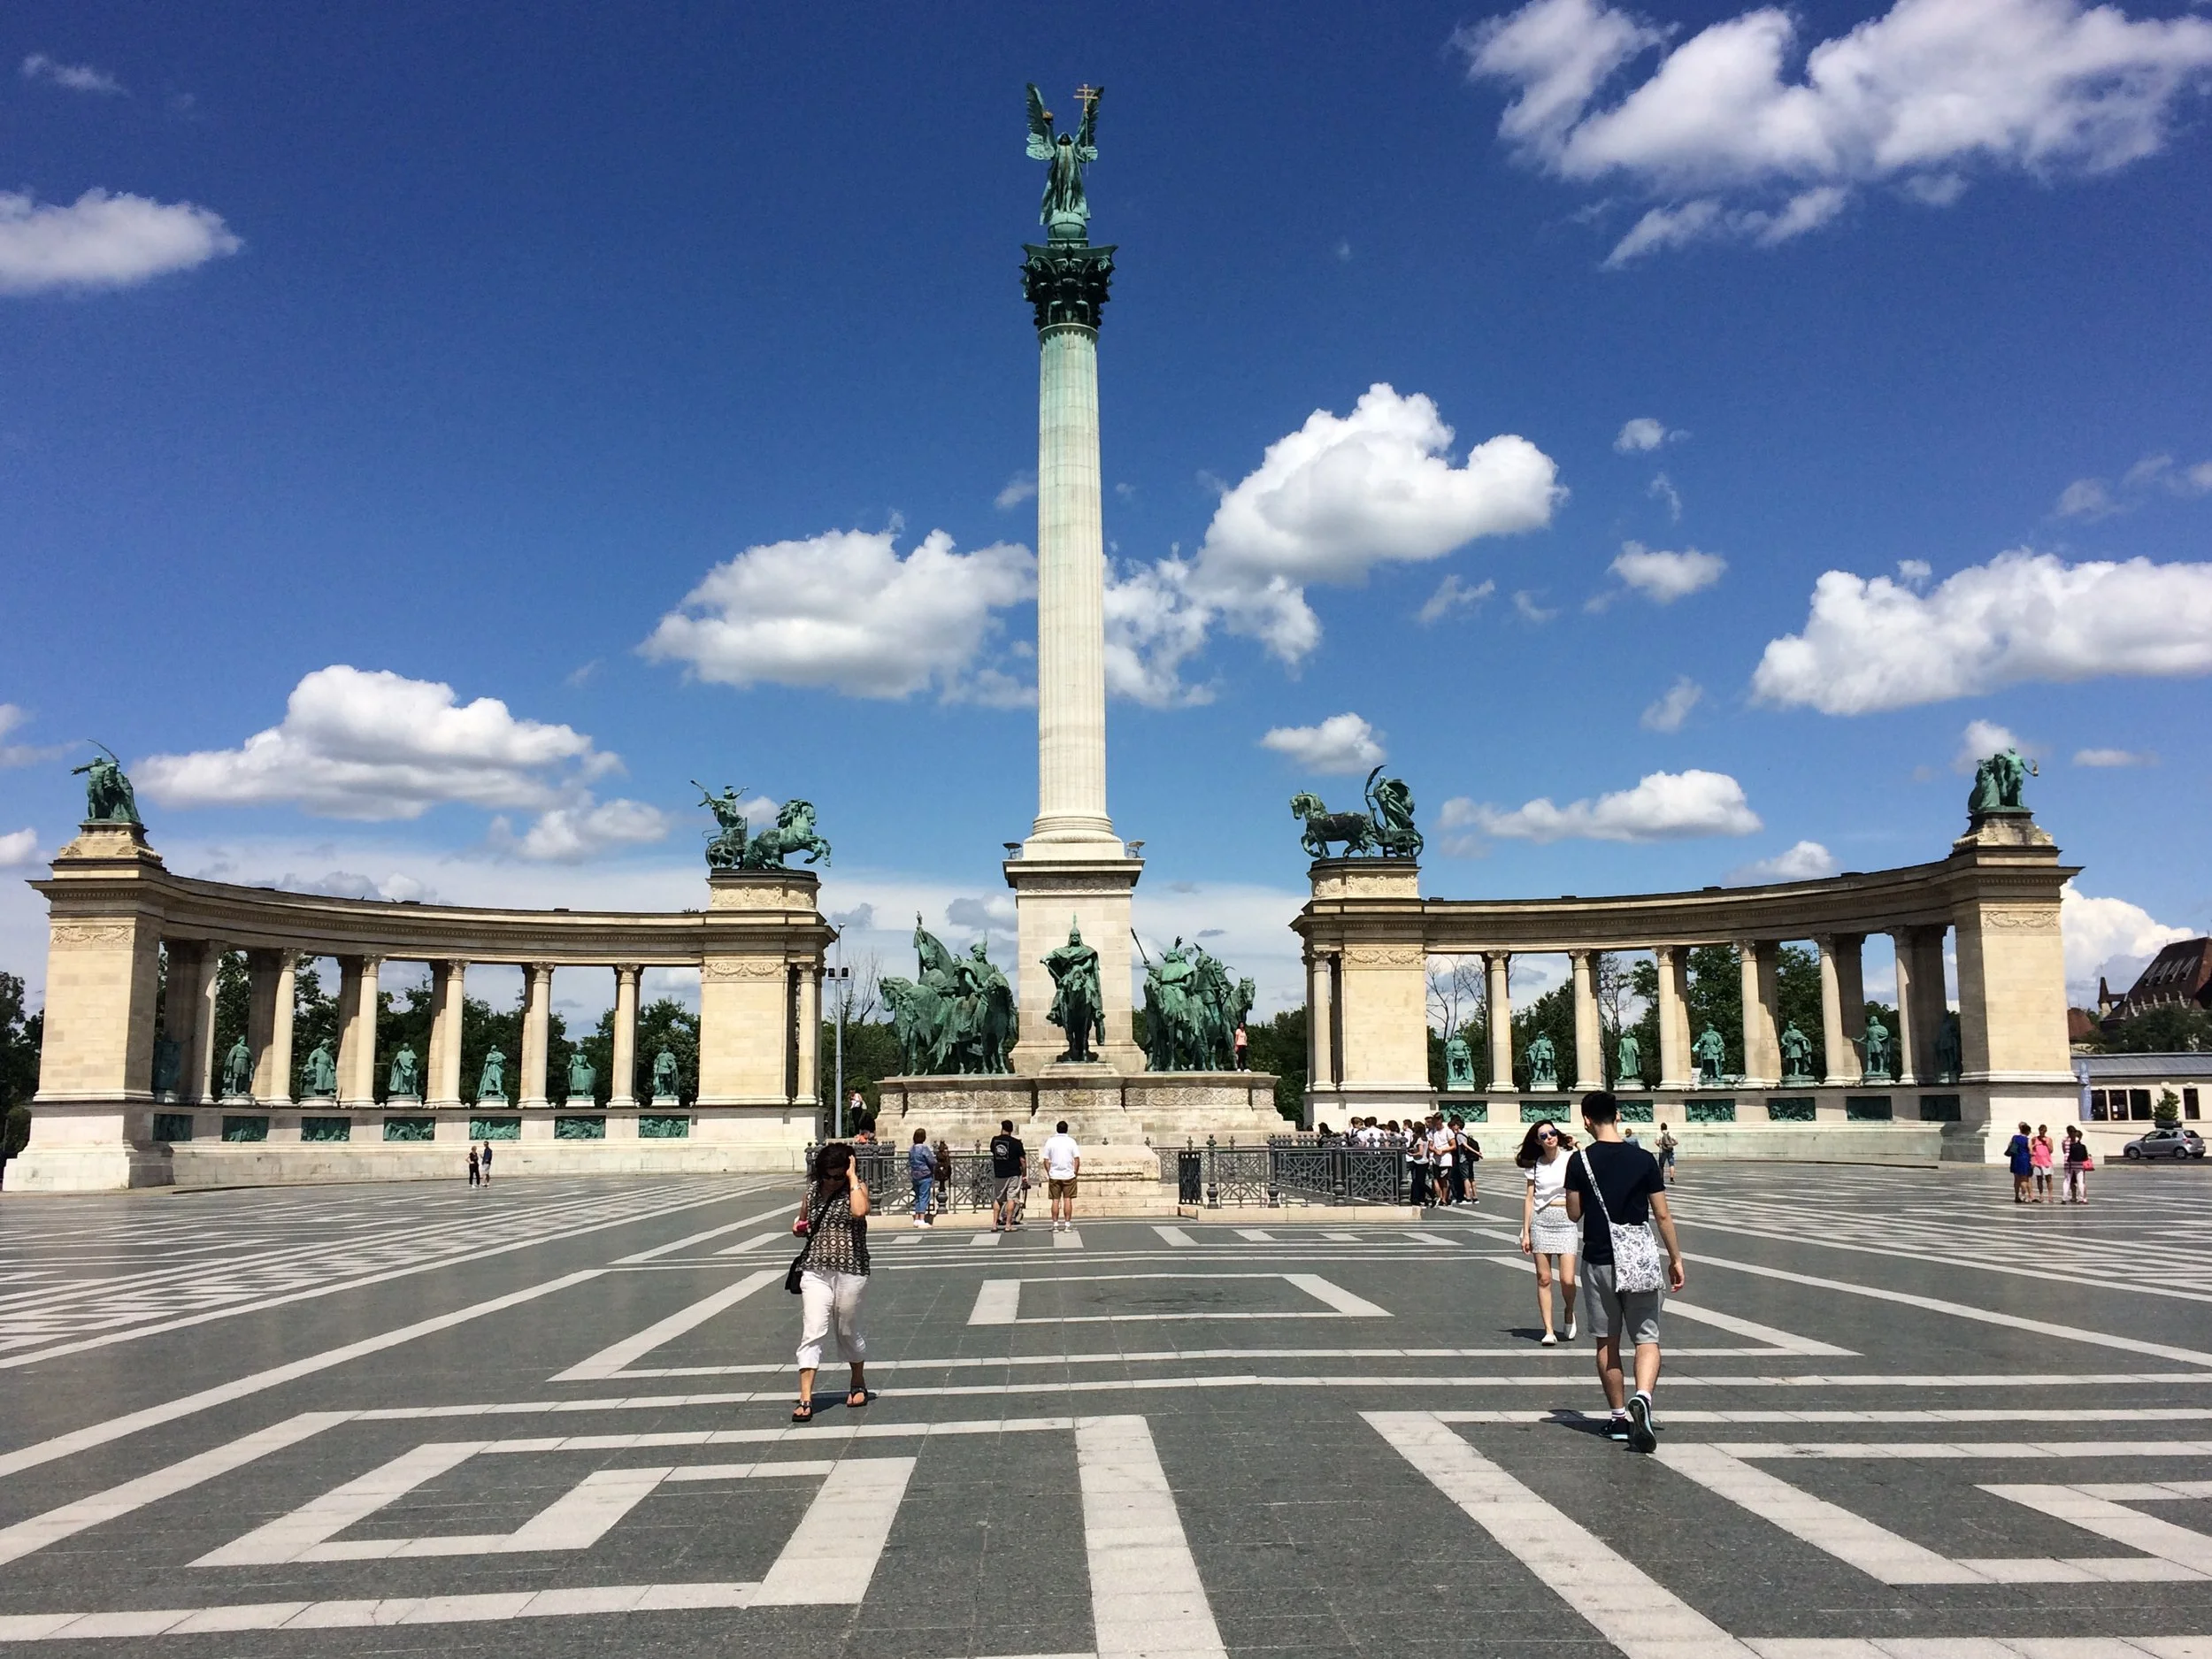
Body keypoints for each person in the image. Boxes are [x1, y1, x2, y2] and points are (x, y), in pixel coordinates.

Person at [1563, 1091, 1686, 1454]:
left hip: (1600, 1258)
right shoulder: (1644, 1158)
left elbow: (1573, 1214)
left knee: (1607, 1340)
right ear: (1617, 1116)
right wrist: (1676, 1258)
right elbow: (1661, 1214)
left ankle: (1617, 1419)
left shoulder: (1579, 1160)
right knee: (1647, 1338)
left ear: (1586, 1120)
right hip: (1640, 1259)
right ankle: (1643, 1398)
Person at [790, 1141, 870, 1423]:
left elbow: (860, 1212)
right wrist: (799, 1228)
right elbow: (801, 1222)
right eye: (828, 1175)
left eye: (838, 1175)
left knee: (846, 1330)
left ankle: (857, 1381)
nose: (832, 1181)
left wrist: (852, 1178)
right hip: (815, 1269)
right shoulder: (812, 1192)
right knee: (813, 1329)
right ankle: (805, 1399)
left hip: (852, 1269)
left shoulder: (855, 1191)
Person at [1516, 1119, 1578, 1346]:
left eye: (1552, 1133)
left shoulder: (1570, 1157)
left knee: (1567, 1279)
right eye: (1544, 1136)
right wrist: (1526, 1231)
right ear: (1537, 1141)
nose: (1550, 1137)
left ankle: (1569, 1310)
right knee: (1543, 1278)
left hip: (1566, 1219)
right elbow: (1529, 1198)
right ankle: (1549, 1330)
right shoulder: (1534, 1164)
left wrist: (1576, 1145)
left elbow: (1588, 1168)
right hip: (1541, 1221)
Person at [1042, 1118, 1081, 1231]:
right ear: (1066, 1130)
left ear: (1057, 1129)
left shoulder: (1050, 1141)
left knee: (1055, 1200)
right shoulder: (1071, 1141)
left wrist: (1049, 1172)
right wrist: (1075, 1172)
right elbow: (1077, 1159)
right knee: (1067, 1199)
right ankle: (1067, 1224)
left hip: (1054, 1174)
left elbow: (1045, 1159)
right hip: (1068, 1174)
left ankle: (1055, 1224)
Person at [990, 1118, 1027, 1232]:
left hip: (999, 1172)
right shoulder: (1016, 1143)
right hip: (1013, 1173)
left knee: (998, 1198)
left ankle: (994, 1224)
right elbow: (1023, 1161)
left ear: (1002, 1128)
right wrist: (1024, 1173)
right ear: (1011, 1130)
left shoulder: (995, 1141)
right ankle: (1008, 1225)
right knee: (1011, 1198)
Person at [907, 1127, 935, 1225]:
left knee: (918, 1197)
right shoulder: (923, 1148)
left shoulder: (912, 1149)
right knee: (924, 1196)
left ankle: (917, 1218)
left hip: (915, 1174)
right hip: (925, 1174)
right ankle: (922, 1219)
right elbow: (931, 1161)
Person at [2062, 1124, 2092, 1204]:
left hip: (2068, 1162)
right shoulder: (2078, 1140)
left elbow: (2064, 1150)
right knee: (2080, 1181)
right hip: (2079, 1163)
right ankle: (2082, 1198)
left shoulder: (2065, 1141)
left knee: (2067, 1180)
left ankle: (2064, 1198)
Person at [2005, 1121, 2033, 1203]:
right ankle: (2023, 1195)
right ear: (2027, 1131)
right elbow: (2030, 1151)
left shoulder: (2014, 1137)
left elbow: (2010, 1146)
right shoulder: (2027, 1139)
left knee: (2016, 1179)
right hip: (2024, 1160)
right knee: (2024, 1178)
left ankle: (2016, 1195)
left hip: (2015, 1159)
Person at [2031, 1125, 2055, 1202]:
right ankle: (2041, 1195)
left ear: (2045, 1131)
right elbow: (2031, 1149)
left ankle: (2050, 1195)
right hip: (2038, 1161)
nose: (2042, 1132)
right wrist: (2032, 1160)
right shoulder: (2034, 1139)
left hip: (2047, 1161)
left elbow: (2051, 1150)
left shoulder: (2049, 1139)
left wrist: (2046, 1143)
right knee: (2039, 1179)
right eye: (2041, 1130)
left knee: (2049, 1178)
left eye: (2043, 1131)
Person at [933, 1137, 953, 1217]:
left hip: (941, 1170)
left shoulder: (940, 1156)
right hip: (943, 1170)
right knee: (942, 1186)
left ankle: (942, 1204)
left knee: (942, 1186)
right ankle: (942, 1205)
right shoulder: (944, 1154)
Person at [1656, 1123, 1678, 1187]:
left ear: (1661, 1128)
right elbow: (1676, 1142)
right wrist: (1671, 1145)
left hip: (1662, 1151)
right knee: (1671, 1164)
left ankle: (1661, 1179)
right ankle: (1671, 1179)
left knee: (1661, 1165)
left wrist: (1661, 1146)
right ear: (1666, 1127)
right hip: (1670, 1151)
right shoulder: (1670, 1133)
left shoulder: (1659, 1134)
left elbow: (1657, 1142)